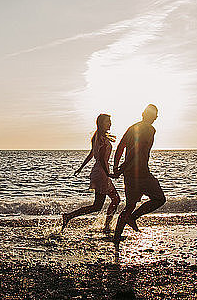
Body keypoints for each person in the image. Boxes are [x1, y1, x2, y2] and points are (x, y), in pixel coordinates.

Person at [111, 104, 166, 250]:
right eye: (155, 114)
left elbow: (120, 147)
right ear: (149, 115)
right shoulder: (150, 129)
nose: (156, 117)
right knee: (159, 198)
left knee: (129, 206)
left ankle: (116, 238)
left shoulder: (132, 127)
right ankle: (133, 218)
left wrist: (116, 167)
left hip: (130, 174)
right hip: (141, 173)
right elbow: (138, 149)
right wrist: (122, 168)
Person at [62, 114, 121, 232]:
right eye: (107, 121)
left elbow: (92, 154)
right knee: (102, 204)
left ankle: (106, 226)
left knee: (111, 201)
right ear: (101, 123)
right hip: (101, 173)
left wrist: (81, 167)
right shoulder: (102, 138)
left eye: (110, 121)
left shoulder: (97, 136)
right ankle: (69, 216)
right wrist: (108, 174)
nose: (110, 123)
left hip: (99, 171)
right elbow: (102, 158)